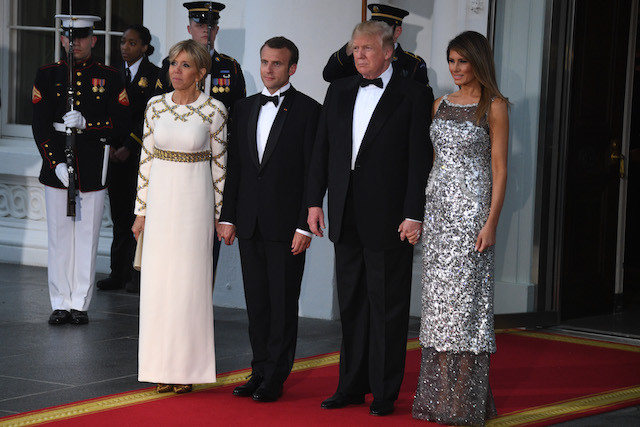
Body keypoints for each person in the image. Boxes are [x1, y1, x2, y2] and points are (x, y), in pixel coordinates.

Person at [307, 20, 432, 416]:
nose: (358, 55)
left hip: (390, 218)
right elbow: (322, 151)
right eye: (354, 49)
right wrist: (314, 202)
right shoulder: (340, 89)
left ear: (389, 50)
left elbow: (419, 161)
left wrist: (414, 213)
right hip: (345, 214)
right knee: (353, 305)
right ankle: (350, 386)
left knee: (387, 308)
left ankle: (384, 392)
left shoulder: (414, 94)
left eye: (366, 49)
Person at [412, 30, 509, 426]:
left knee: (466, 312)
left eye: (462, 61)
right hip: (438, 215)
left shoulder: (495, 106)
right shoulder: (438, 105)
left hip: (472, 218)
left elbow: (500, 169)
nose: (455, 69)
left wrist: (491, 223)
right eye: (451, 61)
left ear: (477, 61)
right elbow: (435, 164)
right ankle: (438, 400)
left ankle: (463, 405)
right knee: (439, 311)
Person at [218, 36, 320, 403]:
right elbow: (237, 169)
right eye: (264, 62)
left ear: (292, 68)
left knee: (282, 303)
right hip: (249, 221)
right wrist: (228, 216)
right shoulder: (243, 108)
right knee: (257, 302)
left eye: (277, 63)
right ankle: (259, 369)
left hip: (287, 226)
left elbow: (314, 172)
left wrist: (303, 225)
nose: (268, 69)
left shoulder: (310, 111)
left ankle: (276, 375)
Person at [131, 39, 227, 394]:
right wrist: (141, 211)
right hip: (159, 204)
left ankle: (187, 368)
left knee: (189, 288)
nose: (176, 70)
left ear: (201, 72)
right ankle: (159, 366)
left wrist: (220, 215)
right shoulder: (155, 106)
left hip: (194, 206)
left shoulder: (215, 110)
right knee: (158, 288)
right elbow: (145, 161)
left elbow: (220, 167)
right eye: (173, 63)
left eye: (185, 65)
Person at [31, 14, 130, 325]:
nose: (75, 43)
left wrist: (89, 123)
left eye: (82, 37)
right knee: (59, 237)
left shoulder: (110, 77)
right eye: (69, 36)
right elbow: (39, 124)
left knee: (86, 238)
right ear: (62, 39)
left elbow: (124, 122)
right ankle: (59, 301)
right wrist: (55, 162)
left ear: (93, 40)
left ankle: (79, 304)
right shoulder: (47, 75)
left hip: (92, 164)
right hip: (57, 164)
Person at [154, 1, 246, 285]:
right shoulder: (169, 67)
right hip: (174, 168)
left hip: (213, 162)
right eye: (199, 24)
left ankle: (200, 299)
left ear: (216, 29)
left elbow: (239, 117)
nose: (205, 30)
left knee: (206, 242)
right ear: (189, 28)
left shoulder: (230, 67)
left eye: (210, 25)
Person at [97, 25, 159, 294]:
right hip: (113, 156)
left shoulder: (155, 76)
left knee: (139, 218)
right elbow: (104, 112)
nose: (125, 47)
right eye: (123, 42)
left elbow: (149, 116)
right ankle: (117, 273)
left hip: (139, 158)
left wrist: (129, 147)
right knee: (120, 217)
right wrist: (110, 146)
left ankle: (137, 275)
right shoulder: (110, 75)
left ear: (144, 47)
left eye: (132, 43)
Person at [322, 3, 433, 103]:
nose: (376, 32)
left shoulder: (412, 63)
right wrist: (352, 45)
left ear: (397, 31)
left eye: (383, 28)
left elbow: (422, 101)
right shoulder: (358, 56)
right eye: (373, 27)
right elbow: (329, 75)